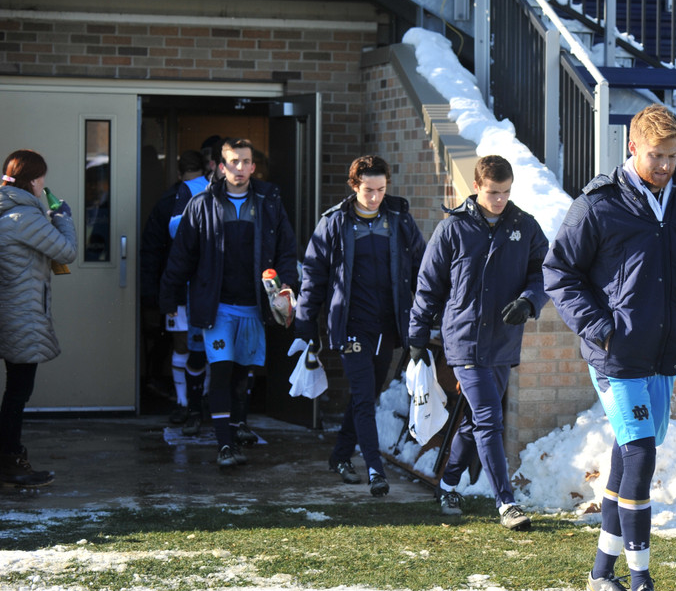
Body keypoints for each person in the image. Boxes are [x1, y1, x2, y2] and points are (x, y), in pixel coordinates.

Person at [543, 104, 676, 591]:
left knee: (629, 456)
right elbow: (559, 274)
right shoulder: (598, 206)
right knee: (639, 455)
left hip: (662, 356)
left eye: (673, 157)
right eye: (656, 156)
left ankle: (599, 575)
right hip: (615, 356)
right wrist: (601, 329)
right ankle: (641, 585)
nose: (664, 166)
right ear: (632, 147)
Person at [408, 155, 548, 530]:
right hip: (464, 340)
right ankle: (506, 503)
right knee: (489, 418)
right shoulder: (452, 229)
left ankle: (448, 483)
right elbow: (429, 286)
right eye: (492, 193)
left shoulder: (525, 227)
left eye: (505, 192)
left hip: (503, 341)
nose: (499, 200)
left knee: (474, 423)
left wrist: (529, 301)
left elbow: (544, 274)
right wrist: (417, 338)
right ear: (476, 187)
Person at [160, 138, 299, 467]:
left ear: (253, 166)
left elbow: (286, 249)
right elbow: (182, 255)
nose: (239, 168)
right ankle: (225, 444)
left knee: (241, 374)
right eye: (233, 162)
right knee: (220, 371)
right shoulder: (202, 204)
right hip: (217, 306)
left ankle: (235, 429)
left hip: (254, 306)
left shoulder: (268, 202)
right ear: (220, 167)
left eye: (245, 161)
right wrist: (169, 295)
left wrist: (287, 286)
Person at [294, 155, 426, 497]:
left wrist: (425, 316)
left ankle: (340, 455)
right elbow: (313, 278)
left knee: (366, 394)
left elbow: (423, 269)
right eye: (369, 190)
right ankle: (374, 469)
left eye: (381, 189)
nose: (375, 196)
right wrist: (305, 325)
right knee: (365, 398)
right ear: (354, 186)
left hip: (389, 326)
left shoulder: (398, 220)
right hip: (351, 325)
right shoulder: (334, 223)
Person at [0, 150, 77, 487]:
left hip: (9, 312)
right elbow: (66, 251)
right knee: (18, 393)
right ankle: (12, 463)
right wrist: (63, 218)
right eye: (42, 177)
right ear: (33, 181)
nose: (45, 183)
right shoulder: (23, 218)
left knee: (13, 393)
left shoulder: (9, 212)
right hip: (21, 316)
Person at [140, 150, 210, 431]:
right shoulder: (174, 201)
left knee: (184, 346)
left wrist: (154, 293)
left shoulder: (171, 201)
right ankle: (198, 401)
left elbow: (152, 252)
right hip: (197, 288)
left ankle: (185, 403)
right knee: (205, 347)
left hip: (180, 287)